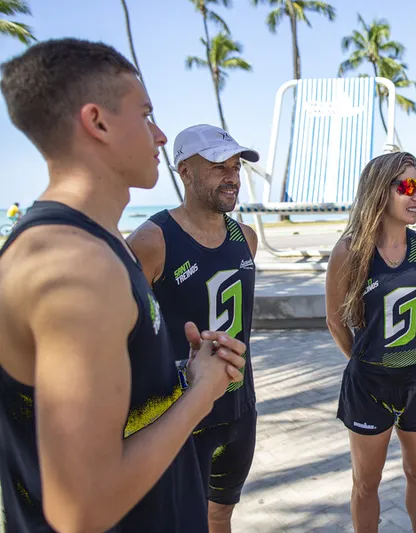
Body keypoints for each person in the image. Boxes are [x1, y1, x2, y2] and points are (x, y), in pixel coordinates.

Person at [0, 38, 246, 532]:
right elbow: (81, 508)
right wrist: (202, 393)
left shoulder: (99, 242)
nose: (160, 135)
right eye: (146, 115)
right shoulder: (74, 265)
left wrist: (182, 374)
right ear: (98, 122)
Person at [127, 124, 260, 533]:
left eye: (236, 166)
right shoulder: (151, 241)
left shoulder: (247, 238)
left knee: (220, 516)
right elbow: (121, 338)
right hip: (181, 419)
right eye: (219, 166)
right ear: (184, 171)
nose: (232, 176)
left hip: (240, 410)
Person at [325, 152, 416, 533]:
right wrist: (364, 360)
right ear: (380, 191)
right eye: (407, 186)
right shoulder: (349, 252)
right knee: (365, 483)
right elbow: (335, 321)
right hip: (368, 386)